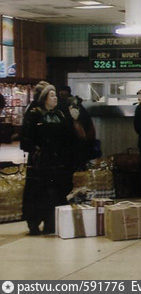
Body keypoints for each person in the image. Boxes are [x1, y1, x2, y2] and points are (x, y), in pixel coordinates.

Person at [21, 82, 86, 235]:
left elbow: (70, 137)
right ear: (44, 98)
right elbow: (26, 139)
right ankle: (34, 223)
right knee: (37, 193)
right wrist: (36, 150)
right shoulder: (34, 114)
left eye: (55, 94)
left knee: (56, 193)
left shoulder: (60, 115)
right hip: (40, 163)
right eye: (51, 95)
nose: (55, 97)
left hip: (58, 162)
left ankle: (51, 223)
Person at [57, 85, 97, 162]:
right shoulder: (76, 104)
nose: (61, 95)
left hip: (75, 140)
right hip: (81, 140)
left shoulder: (66, 105)